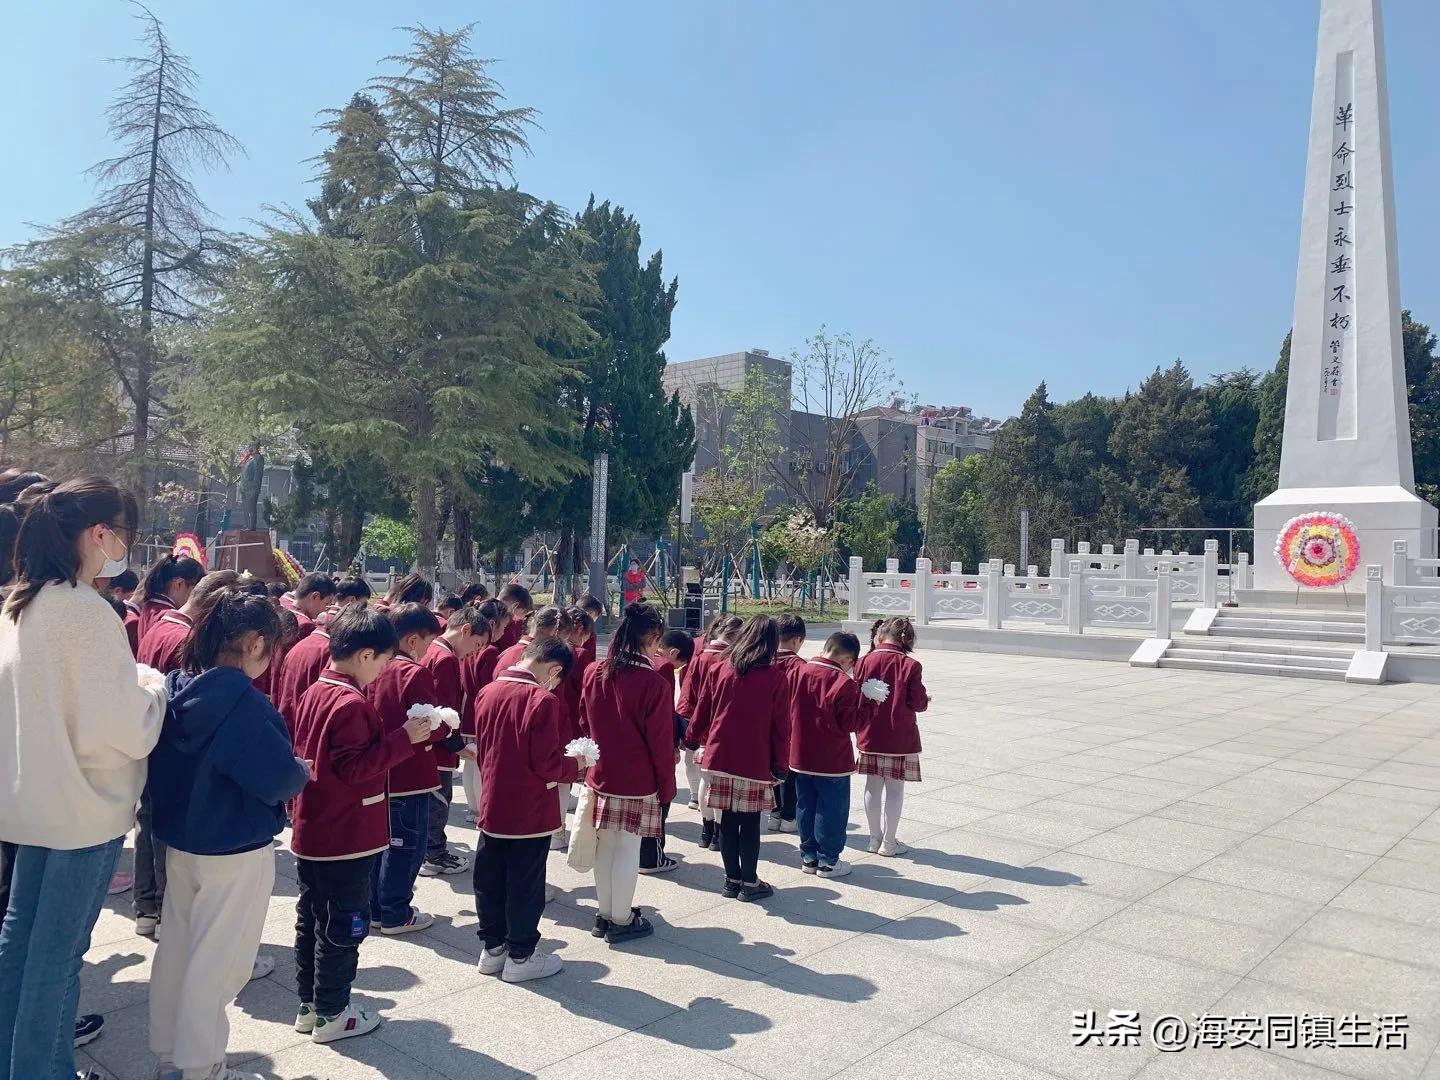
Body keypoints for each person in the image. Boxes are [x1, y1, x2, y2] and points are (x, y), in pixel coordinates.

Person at [0, 477, 166, 1080]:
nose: (125, 547)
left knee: (20, 943)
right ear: (100, 534)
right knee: (57, 958)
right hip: (83, 808)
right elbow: (122, 728)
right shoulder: (86, 611)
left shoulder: (20, 602)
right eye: (124, 534)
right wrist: (152, 688)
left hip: (30, 801)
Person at [146, 589, 309, 1080]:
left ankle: (170, 1053)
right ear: (256, 642)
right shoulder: (244, 704)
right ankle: (201, 1063)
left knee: (177, 949)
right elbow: (276, 779)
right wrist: (299, 771)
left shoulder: (177, 687)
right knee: (219, 962)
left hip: (182, 841)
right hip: (235, 847)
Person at [288, 606, 430, 1045]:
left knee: (312, 919)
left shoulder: (317, 690)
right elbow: (356, 768)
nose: (384, 671)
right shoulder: (350, 703)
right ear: (366, 655)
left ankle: (311, 1005)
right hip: (346, 832)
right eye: (384, 661)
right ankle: (333, 1012)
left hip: (315, 827)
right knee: (344, 924)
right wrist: (405, 738)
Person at [134, 570, 242, 937]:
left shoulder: (158, 626)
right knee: (166, 831)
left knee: (148, 822)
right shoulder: (186, 639)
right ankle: (166, 910)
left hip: (152, 741)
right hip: (175, 745)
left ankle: (147, 907)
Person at [468, 637, 581, 982]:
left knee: (490, 878)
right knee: (525, 883)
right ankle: (521, 954)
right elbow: (547, 764)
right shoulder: (542, 700)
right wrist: (577, 764)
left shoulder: (488, 692)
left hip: (493, 801)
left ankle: (493, 948)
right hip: (529, 807)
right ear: (554, 670)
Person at [578, 603, 676, 941]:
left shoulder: (594, 671)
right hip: (637, 778)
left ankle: (605, 914)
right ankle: (621, 917)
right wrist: (667, 786)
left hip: (600, 772)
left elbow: (583, 720)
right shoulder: (654, 683)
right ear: (652, 637)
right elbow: (661, 743)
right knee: (627, 849)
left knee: (605, 847)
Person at [691, 615, 789, 902]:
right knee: (749, 823)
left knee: (728, 820)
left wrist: (692, 737)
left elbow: (703, 708)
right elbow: (781, 727)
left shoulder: (721, 668)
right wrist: (780, 765)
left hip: (720, 754)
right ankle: (749, 882)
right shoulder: (775, 677)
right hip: (754, 758)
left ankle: (731, 880)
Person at [365, 604, 445, 935]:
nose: (428, 651)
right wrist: (446, 725)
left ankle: (375, 908)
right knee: (406, 847)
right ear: (412, 640)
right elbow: (428, 725)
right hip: (409, 772)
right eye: (427, 643)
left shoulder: (373, 666)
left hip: (378, 769)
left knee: (379, 846)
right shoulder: (414, 673)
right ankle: (396, 912)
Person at [418, 604, 491, 876]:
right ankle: (434, 854)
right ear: (465, 630)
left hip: (427, 742)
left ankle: (428, 850)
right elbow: (444, 710)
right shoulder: (446, 658)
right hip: (438, 746)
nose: (475, 652)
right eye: (477, 644)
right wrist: (457, 745)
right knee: (438, 800)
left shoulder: (431, 649)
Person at [496, 607, 576, 848]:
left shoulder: (507, 653)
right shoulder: (549, 663)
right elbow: (558, 700)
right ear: (553, 633)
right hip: (543, 733)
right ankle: (556, 833)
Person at [854, 617, 929, 857]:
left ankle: (873, 838)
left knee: (872, 787)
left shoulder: (863, 661)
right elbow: (918, 703)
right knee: (895, 790)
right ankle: (889, 842)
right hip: (900, 737)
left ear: (880, 634)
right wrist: (926, 700)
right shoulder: (910, 665)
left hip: (869, 733)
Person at [790, 632, 863, 879]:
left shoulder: (798, 671)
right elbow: (849, 723)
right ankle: (828, 860)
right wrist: (869, 706)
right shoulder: (843, 682)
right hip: (832, 759)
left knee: (805, 805)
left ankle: (808, 856)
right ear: (847, 659)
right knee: (831, 810)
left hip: (800, 753)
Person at [679, 614, 742, 850]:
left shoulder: (700, 658)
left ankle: (706, 830)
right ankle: (718, 832)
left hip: (701, 724)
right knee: (720, 786)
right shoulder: (731, 660)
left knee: (704, 780)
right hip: (724, 727)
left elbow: (688, 694)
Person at [641, 629, 693, 875]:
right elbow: (664, 713)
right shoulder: (662, 667)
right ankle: (652, 856)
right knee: (659, 800)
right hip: (655, 742)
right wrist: (673, 744)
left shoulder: (612, 660)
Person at [458, 600, 506, 823]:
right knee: (478, 763)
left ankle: (472, 809)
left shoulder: (471, 648)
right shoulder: (489, 651)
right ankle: (479, 809)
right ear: (493, 624)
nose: (503, 632)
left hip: (468, 709)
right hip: (480, 711)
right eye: (503, 627)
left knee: (469, 763)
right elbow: (488, 685)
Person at [768, 613, 807, 834]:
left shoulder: (764, 660)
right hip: (791, 727)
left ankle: (774, 814)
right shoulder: (800, 666)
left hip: (766, 726)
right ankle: (789, 817)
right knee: (791, 774)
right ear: (797, 639)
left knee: (772, 769)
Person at [137, 555, 205, 640]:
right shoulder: (169, 617)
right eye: (195, 590)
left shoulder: (149, 606)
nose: (196, 597)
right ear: (179, 584)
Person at [283, 573, 336, 641]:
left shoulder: (282, 605)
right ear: (315, 596)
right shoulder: (306, 626)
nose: (327, 609)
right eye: (327, 603)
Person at [492, 583, 533, 652]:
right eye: (523, 613)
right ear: (515, 606)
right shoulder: (506, 624)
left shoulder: (483, 609)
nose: (523, 618)